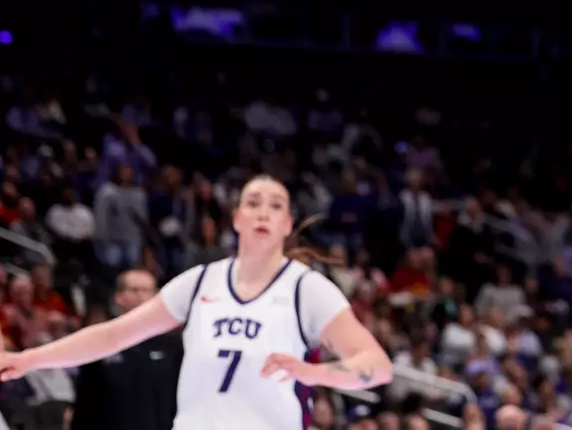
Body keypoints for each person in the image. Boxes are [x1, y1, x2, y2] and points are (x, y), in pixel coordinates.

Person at [0, 175, 393, 430]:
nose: (264, 212)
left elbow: (376, 367)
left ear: (288, 223)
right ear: (236, 217)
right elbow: (114, 335)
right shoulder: (201, 281)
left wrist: (315, 374)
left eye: (276, 206)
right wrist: (29, 358)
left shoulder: (305, 288)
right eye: (254, 202)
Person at [68, 268, 183, 430]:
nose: (142, 296)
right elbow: (85, 403)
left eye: (148, 290)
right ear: (119, 297)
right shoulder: (101, 342)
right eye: (135, 290)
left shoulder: (172, 346)